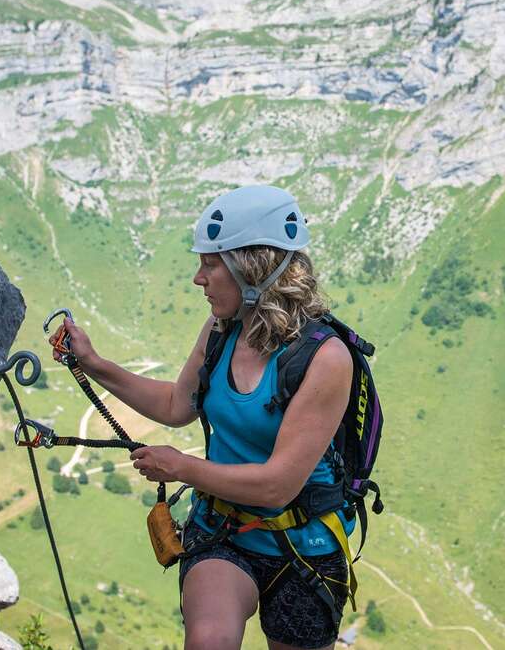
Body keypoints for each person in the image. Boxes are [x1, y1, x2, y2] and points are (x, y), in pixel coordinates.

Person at [49, 184, 356, 650]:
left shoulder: (326, 358)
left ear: (251, 266)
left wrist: (181, 467)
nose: (199, 278)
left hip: (306, 548)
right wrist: (94, 364)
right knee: (208, 641)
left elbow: (278, 486)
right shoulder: (221, 330)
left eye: (211, 264)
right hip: (224, 531)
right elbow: (177, 405)